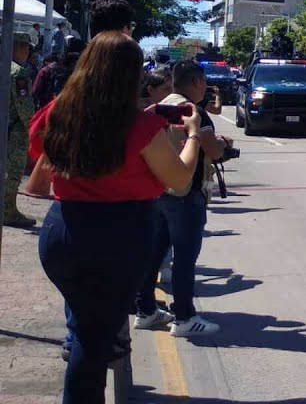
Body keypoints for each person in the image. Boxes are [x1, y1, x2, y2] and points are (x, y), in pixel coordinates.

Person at [31, 32, 201, 403]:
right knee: (93, 344)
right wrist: (191, 137)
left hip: (61, 231)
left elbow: (38, 146)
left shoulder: (61, 110)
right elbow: (180, 180)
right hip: (117, 239)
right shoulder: (139, 128)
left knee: (86, 329)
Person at [135, 60, 226, 337]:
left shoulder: (159, 107)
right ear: (197, 83)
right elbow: (213, 150)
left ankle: (146, 310)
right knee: (185, 259)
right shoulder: (194, 111)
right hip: (185, 194)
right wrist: (223, 144)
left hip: (157, 191)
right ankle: (184, 317)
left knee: (153, 254)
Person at [6, 32, 37, 227]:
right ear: (17, 47)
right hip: (14, 131)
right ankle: (8, 210)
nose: (27, 52)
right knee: (13, 171)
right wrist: (34, 129)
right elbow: (25, 109)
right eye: (25, 47)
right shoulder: (19, 72)